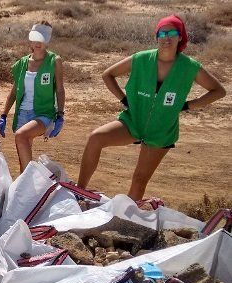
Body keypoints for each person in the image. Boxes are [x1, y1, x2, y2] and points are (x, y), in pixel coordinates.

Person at [77, 15, 225, 201]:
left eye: (172, 32)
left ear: (180, 37)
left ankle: (126, 217)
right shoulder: (141, 59)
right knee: (96, 138)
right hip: (133, 121)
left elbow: (218, 91)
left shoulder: (190, 67)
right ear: (157, 36)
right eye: (162, 33)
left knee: (139, 179)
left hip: (162, 130)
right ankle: (79, 191)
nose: (167, 38)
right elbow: (108, 75)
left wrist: (187, 106)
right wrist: (123, 99)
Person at [0, 21, 65, 173]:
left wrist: (60, 115)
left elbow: (60, 89)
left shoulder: (54, 61)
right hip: (22, 113)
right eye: (35, 38)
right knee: (23, 161)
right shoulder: (22, 63)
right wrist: (4, 115)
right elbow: (14, 91)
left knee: (20, 136)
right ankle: (26, 188)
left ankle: (29, 181)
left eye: (42, 38)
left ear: (47, 40)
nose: (38, 43)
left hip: (43, 113)